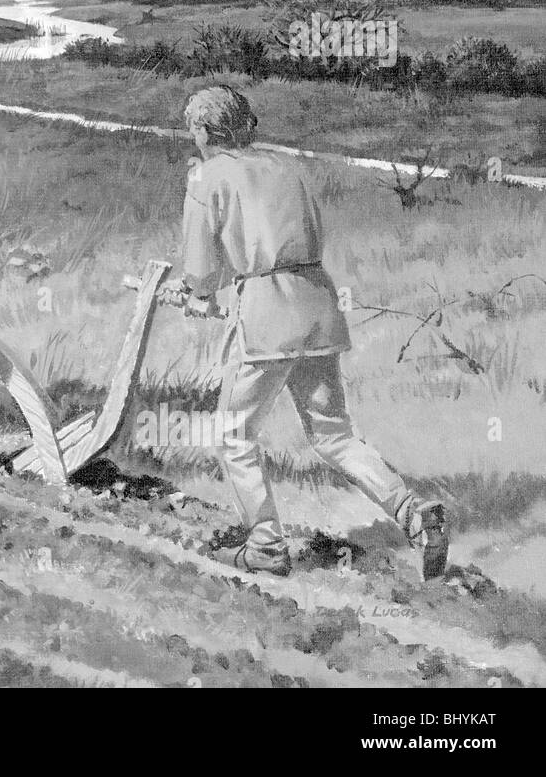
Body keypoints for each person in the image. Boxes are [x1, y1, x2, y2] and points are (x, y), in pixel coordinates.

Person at [164, 85, 449, 579]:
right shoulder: (286, 167)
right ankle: (412, 513)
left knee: (234, 436)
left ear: (207, 130)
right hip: (318, 304)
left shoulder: (208, 177)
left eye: (194, 127)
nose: (194, 136)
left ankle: (266, 547)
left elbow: (202, 270)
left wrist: (196, 294)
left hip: (267, 316)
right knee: (334, 435)